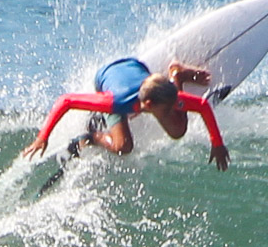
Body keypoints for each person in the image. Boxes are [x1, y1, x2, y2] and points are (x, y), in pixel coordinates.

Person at [20, 58, 230, 170]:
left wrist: (217, 143)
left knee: (178, 131)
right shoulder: (114, 102)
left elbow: (202, 105)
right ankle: (92, 137)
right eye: (168, 107)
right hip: (107, 76)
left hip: (136, 67)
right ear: (148, 104)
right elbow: (66, 101)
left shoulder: (163, 97)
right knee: (123, 147)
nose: (174, 109)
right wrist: (42, 138)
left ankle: (177, 74)